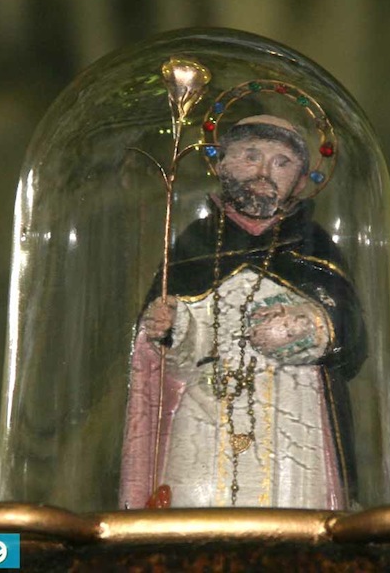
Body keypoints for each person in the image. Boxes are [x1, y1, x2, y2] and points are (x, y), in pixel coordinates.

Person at [119, 115, 367, 510]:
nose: (264, 172)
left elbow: (347, 330)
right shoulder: (194, 246)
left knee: (290, 511)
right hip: (207, 411)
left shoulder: (314, 248)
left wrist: (306, 327)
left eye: (282, 162)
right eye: (251, 156)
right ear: (222, 165)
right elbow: (177, 356)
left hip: (291, 411)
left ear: (300, 182)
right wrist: (174, 326)